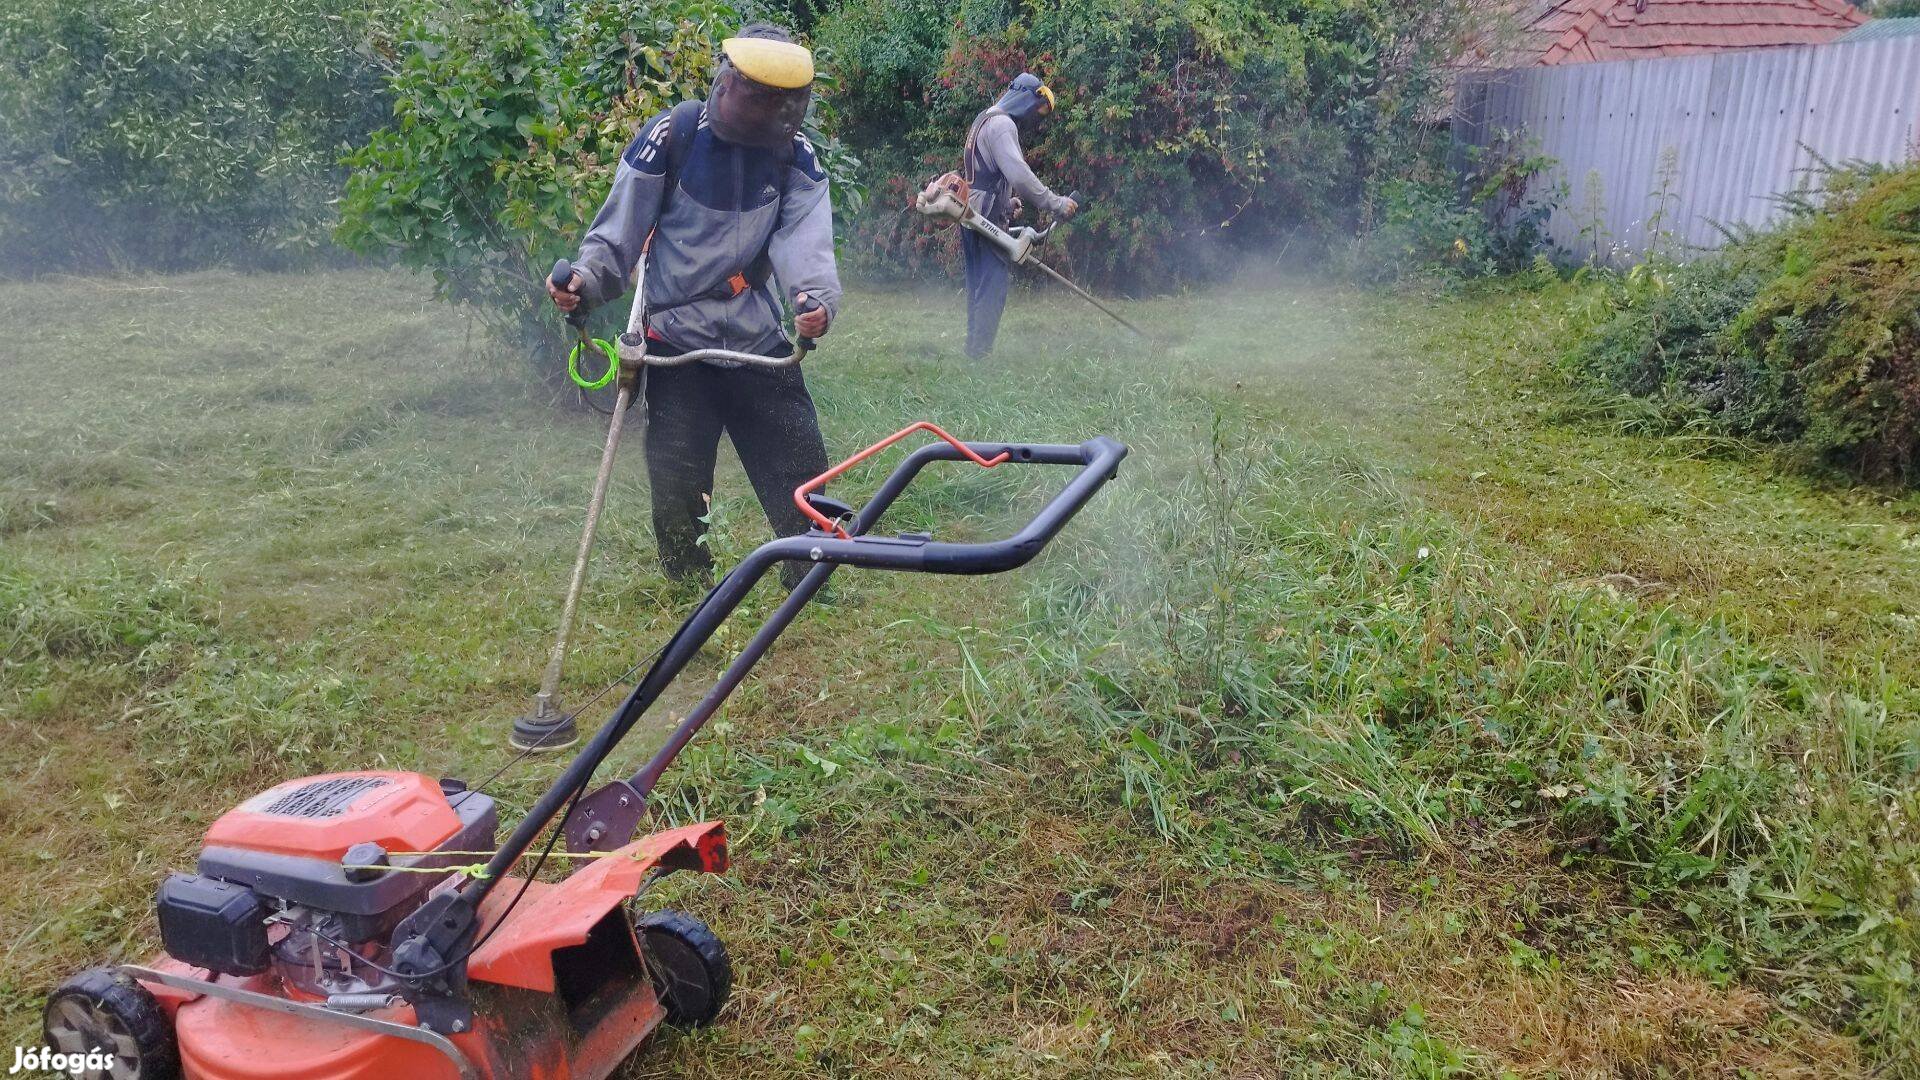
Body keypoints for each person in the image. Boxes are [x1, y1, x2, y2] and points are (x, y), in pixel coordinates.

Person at [548, 23, 839, 590]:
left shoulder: (795, 157)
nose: (766, 110)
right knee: (679, 476)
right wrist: (583, 280)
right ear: (727, 81)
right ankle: (686, 583)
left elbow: (808, 246)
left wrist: (815, 304)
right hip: (678, 342)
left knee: (800, 466)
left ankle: (813, 576)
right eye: (756, 94)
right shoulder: (673, 135)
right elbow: (616, 236)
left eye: (780, 100)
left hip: (758, 339)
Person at [960, 73, 1078, 360]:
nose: (1035, 120)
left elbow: (984, 174)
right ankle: (980, 357)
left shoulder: (985, 118)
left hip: (972, 211)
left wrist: (1007, 202)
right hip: (984, 216)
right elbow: (1020, 175)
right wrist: (1056, 203)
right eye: (1037, 111)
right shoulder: (1002, 125)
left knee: (980, 284)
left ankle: (973, 351)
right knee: (993, 285)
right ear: (1026, 98)